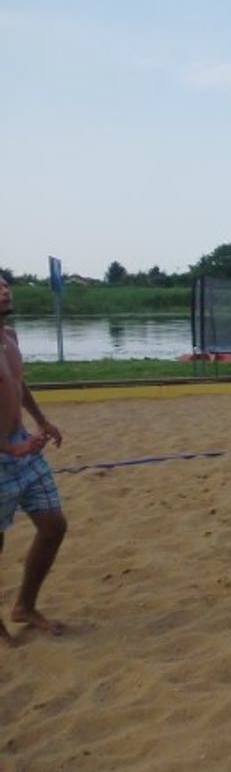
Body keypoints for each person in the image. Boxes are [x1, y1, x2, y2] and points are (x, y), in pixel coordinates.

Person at [0, 273, 67, 645]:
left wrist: (41, 420)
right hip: (6, 452)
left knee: (54, 526)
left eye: (5, 283)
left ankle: (24, 605)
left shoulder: (9, 337)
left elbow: (16, 382)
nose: (5, 289)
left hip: (22, 446)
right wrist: (9, 449)